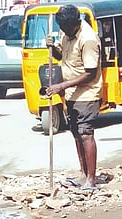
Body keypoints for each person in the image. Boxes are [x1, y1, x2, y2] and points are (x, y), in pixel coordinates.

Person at [45, 4, 102, 190]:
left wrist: (61, 85)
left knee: (86, 134)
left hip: (87, 92)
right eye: (62, 28)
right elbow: (61, 56)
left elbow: (90, 73)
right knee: (77, 134)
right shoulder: (65, 33)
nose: (64, 31)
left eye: (67, 28)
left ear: (76, 22)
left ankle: (91, 180)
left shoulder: (88, 39)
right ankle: (83, 174)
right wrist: (52, 48)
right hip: (71, 94)